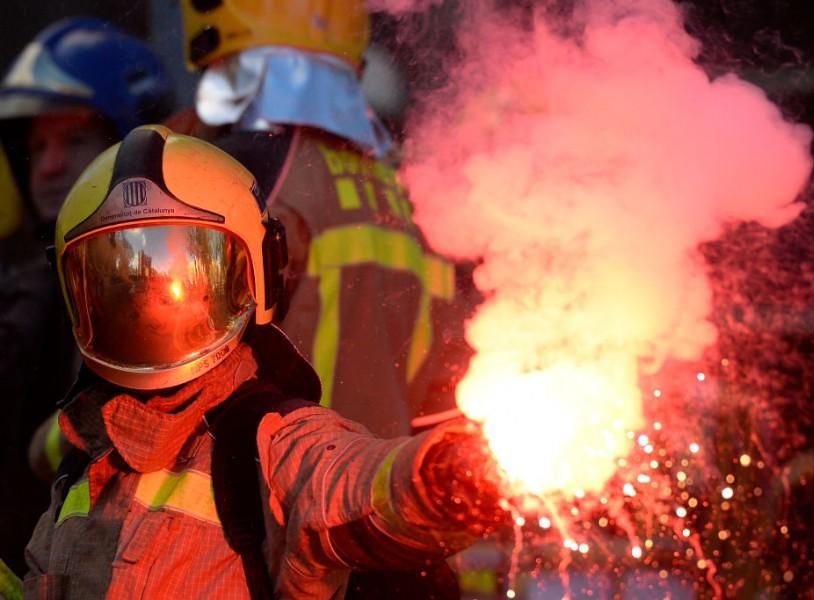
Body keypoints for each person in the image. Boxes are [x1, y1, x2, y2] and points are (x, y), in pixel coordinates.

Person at [14, 124, 503, 600]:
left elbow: (351, 481)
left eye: (181, 274)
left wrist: (446, 476)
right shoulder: (85, 455)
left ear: (257, 273)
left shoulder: (269, 440)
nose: (151, 306)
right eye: (121, 282)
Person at [176, 0, 473, 440]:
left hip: (266, 496)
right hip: (383, 490)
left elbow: (171, 368)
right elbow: (444, 398)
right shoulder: (411, 188)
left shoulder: (242, 171)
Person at [0, 17, 171, 577]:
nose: (47, 167)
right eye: (37, 145)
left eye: (73, 140)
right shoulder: (25, 287)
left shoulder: (171, 282)